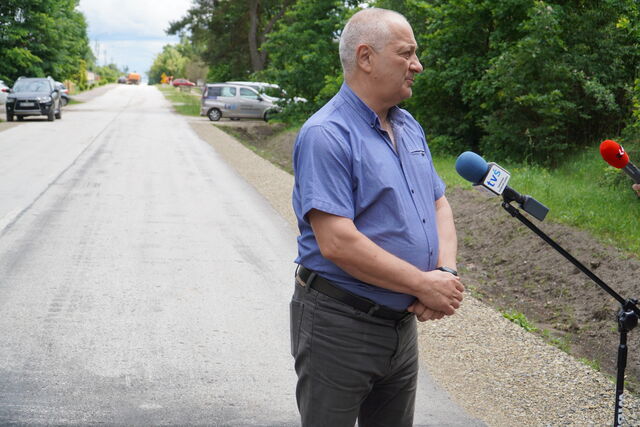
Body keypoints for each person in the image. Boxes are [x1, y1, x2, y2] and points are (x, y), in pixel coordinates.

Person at [290, 7, 464, 426]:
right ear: (366, 58)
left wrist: (443, 272)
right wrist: (424, 284)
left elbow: (438, 203)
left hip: (400, 326)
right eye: (407, 54)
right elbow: (336, 242)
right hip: (339, 324)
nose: (417, 66)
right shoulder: (326, 134)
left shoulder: (409, 127)